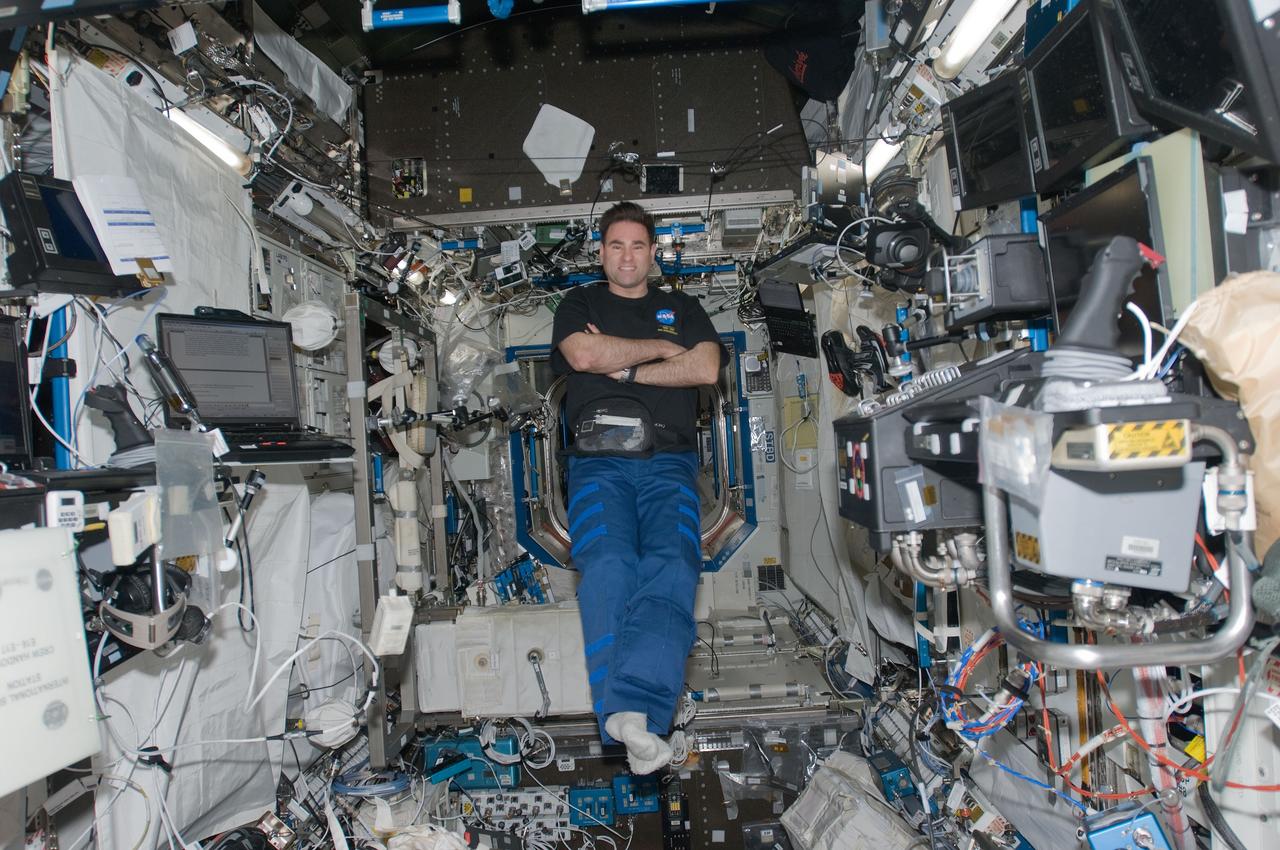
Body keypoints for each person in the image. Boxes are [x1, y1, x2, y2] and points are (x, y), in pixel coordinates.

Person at [550, 201, 726, 774]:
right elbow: (582, 352)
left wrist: (619, 365)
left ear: (654, 252)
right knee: (609, 566)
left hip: (668, 462)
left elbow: (704, 368)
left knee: (675, 564)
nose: (627, 256)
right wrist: (657, 348)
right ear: (601, 253)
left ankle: (632, 716)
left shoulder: (684, 307)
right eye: (616, 245)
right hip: (598, 463)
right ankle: (636, 714)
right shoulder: (578, 303)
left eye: (638, 246)